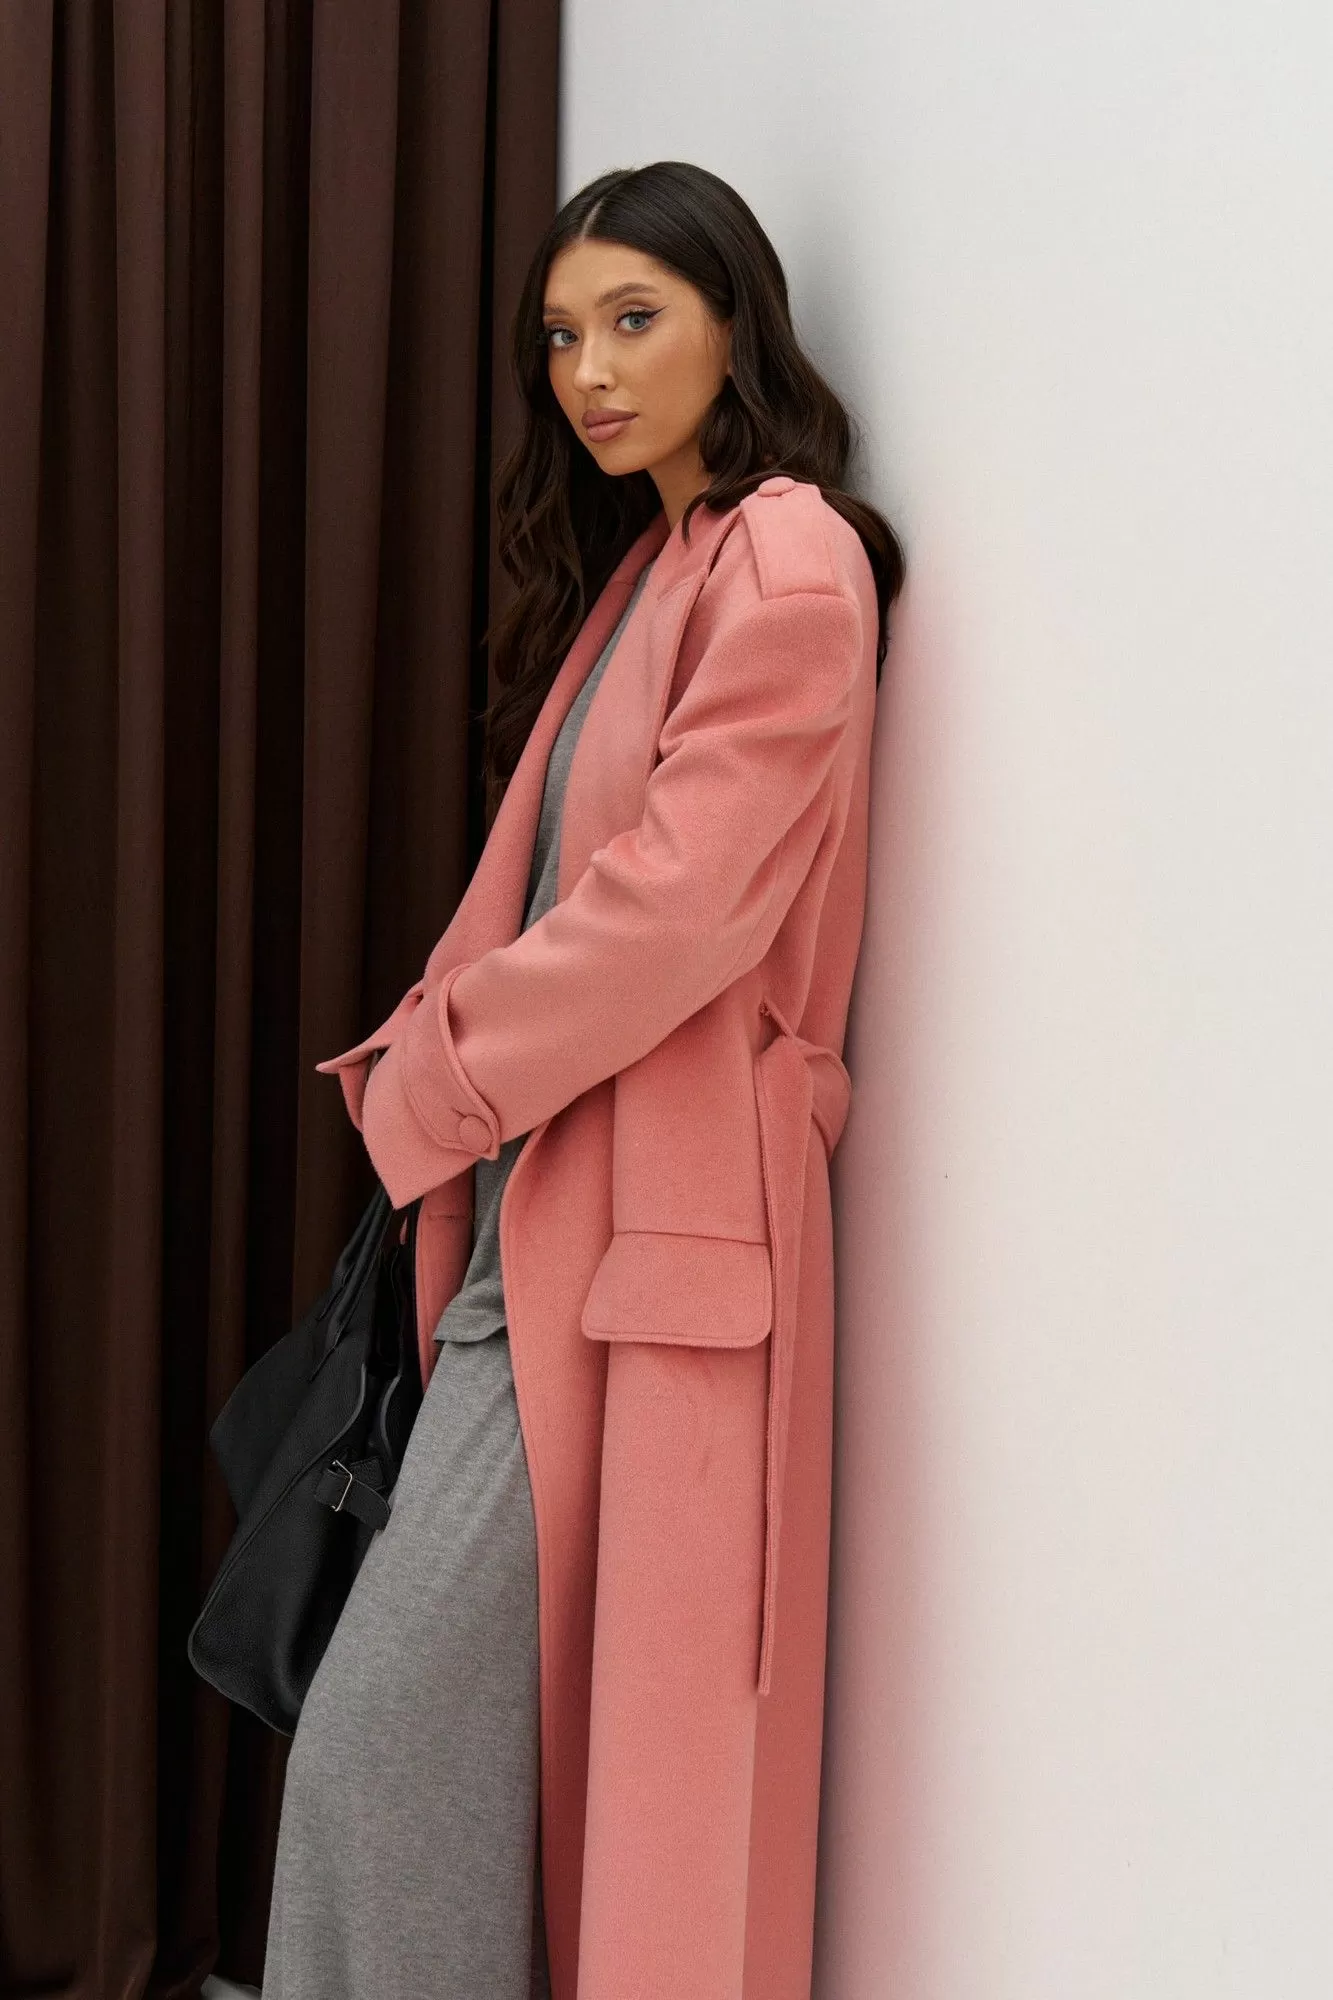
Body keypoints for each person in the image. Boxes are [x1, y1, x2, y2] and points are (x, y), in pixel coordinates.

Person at [261, 159, 905, 2000]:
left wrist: (436, 1077)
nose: (592, 373)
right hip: (542, 1234)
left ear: (737, 324)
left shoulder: (788, 559)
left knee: (409, 1760)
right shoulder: (653, 568)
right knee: (449, 1774)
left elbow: (680, 909)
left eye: (636, 319)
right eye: (561, 336)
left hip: (656, 1246)